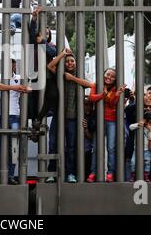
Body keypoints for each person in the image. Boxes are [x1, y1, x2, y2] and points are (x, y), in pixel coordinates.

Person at [46, 48, 92, 183]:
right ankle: (51, 173)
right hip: (58, 116)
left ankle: (70, 173)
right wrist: (62, 54)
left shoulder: (79, 75)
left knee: (71, 146)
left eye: (72, 61)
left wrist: (72, 78)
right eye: (67, 62)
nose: (69, 63)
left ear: (76, 63)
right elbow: (50, 66)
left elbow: (91, 85)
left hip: (72, 117)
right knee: (53, 144)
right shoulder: (60, 74)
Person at [0, 58, 31, 185]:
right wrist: (15, 87)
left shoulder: (19, 77)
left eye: (12, 63)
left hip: (14, 115)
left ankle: (11, 176)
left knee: (14, 148)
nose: (10, 65)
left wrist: (23, 88)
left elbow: (29, 89)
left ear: (14, 66)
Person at [87, 68, 126, 183]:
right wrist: (102, 94)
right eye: (107, 74)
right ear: (103, 74)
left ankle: (110, 173)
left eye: (112, 76)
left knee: (111, 148)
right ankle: (93, 172)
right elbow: (91, 97)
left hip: (112, 121)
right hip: (99, 120)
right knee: (96, 147)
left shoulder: (115, 88)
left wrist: (117, 94)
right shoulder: (97, 85)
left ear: (115, 79)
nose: (109, 77)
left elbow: (112, 103)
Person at [128, 110, 151, 182]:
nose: (149, 123)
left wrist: (150, 130)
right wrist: (138, 124)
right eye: (148, 121)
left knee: (147, 162)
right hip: (137, 149)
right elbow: (130, 127)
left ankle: (146, 175)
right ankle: (133, 175)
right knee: (133, 162)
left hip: (147, 149)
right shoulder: (139, 125)